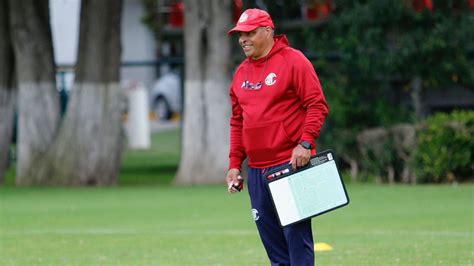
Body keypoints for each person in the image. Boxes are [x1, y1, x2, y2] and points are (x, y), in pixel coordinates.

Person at [225, 8, 329, 266]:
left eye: (249, 32)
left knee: (297, 242)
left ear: (268, 31)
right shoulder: (240, 74)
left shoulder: (294, 61)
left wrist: (306, 143)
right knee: (275, 252)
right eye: (240, 34)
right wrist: (235, 165)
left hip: (290, 166)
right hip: (257, 173)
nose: (243, 39)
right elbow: (238, 121)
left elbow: (317, 104)